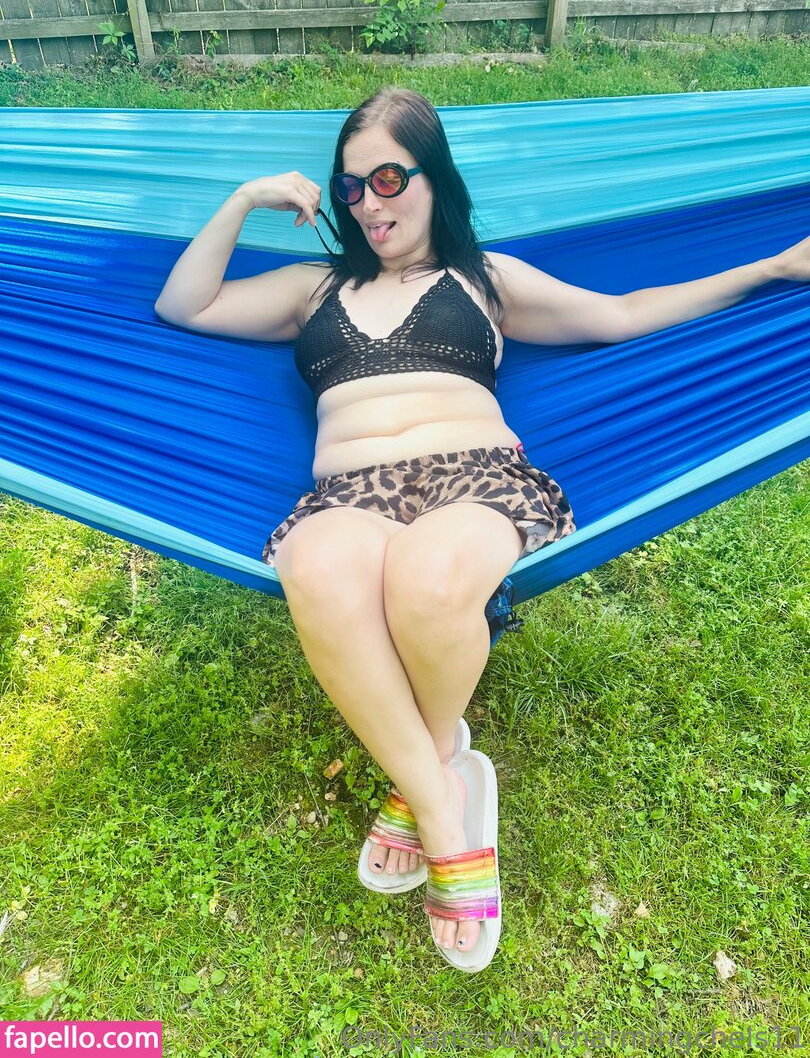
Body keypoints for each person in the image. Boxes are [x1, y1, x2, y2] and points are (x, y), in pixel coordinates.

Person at [152, 86, 628, 973]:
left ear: (433, 177)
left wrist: (769, 271)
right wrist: (245, 199)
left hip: (474, 479)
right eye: (351, 188)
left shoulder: (485, 279)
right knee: (315, 568)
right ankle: (441, 798)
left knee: (427, 580)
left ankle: (426, 781)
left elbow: (620, 315)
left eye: (388, 179)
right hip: (350, 493)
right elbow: (185, 305)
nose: (369, 204)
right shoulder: (314, 289)